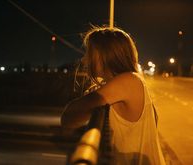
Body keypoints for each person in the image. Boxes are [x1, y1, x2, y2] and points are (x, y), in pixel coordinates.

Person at [61, 26, 166, 165]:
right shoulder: (125, 83)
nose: (85, 60)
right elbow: (70, 122)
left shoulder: (129, 81)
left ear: (105, 54)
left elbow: (68, 116)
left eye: (90, 53)